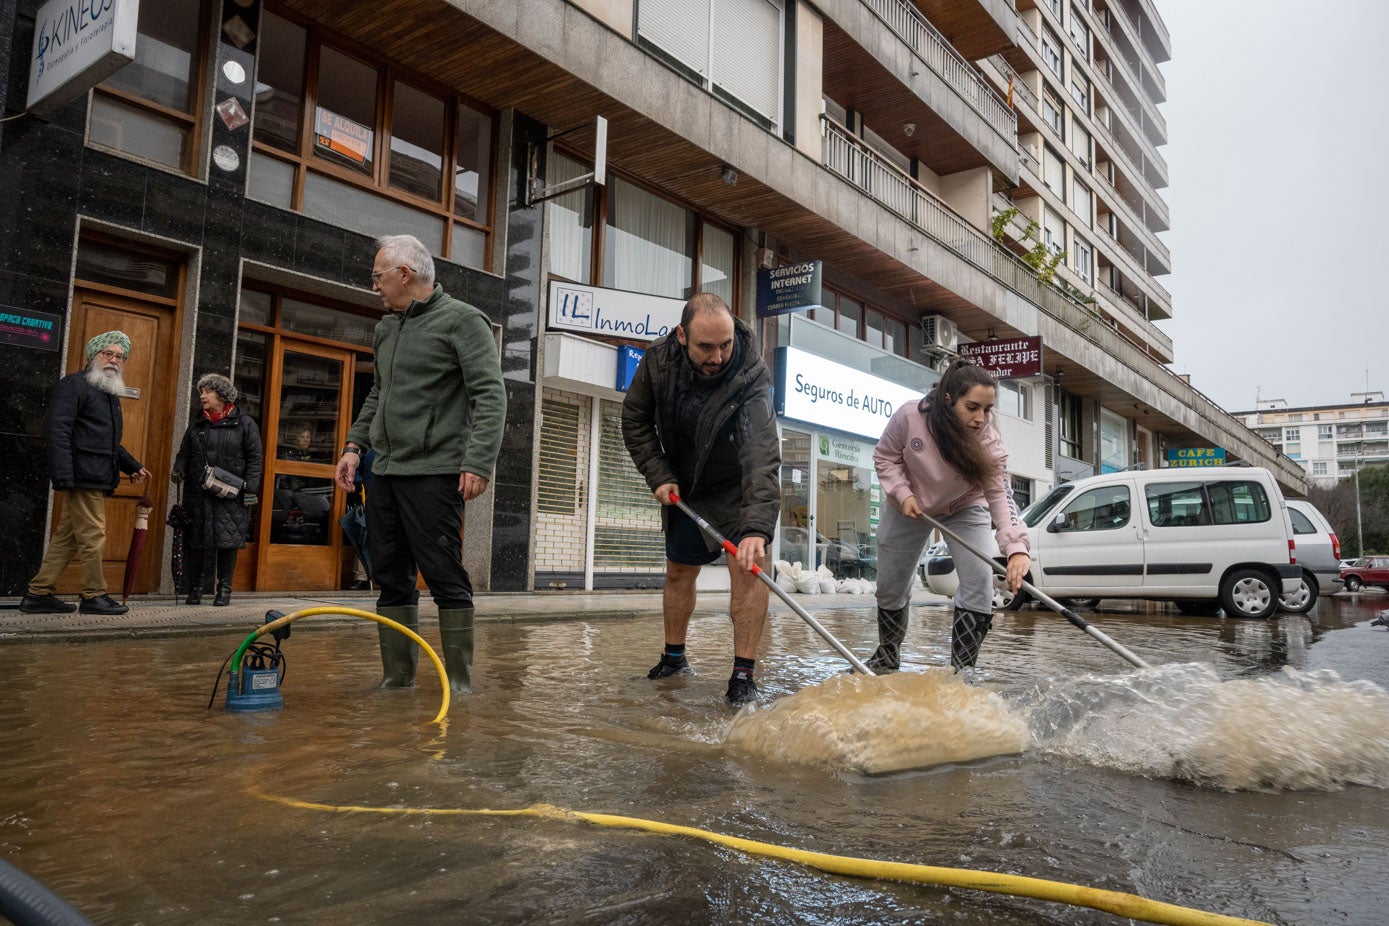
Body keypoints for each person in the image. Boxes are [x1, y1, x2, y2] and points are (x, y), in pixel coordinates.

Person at [335, 234, 506, 694]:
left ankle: (460, 684)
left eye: (378, 276)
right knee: (390, 577)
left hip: (435, 471)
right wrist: (354, 445)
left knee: (445, 574)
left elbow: (490, 395)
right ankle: (397, 678)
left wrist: (478, 462)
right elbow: (378, 393)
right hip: (384, 472)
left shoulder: (464, 321)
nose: (374, 286)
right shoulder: (385, 329)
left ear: (404, 275)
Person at [621, 293, 781, 704]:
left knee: (749, 566)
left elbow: (761, 454)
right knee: (679, 572)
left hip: (736, 484)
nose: (718, 356)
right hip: (684, 484)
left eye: (725, 344)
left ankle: (742, 676)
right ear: (681, 336)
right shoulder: (658, 362)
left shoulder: (750, 374)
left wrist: (756, 528)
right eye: (706, 347)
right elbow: (635, 419)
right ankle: (674, 657)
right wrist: (658, 474)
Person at [870, 359, 1031, 672]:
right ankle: (887, 655)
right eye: (972, 407)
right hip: (910, 505)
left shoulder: (989, 441)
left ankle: (963, 670)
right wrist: (903, 495)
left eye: (987, 409)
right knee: (890, 585)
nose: (981, 418)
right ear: (948, 399)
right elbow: (885, 458)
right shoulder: (909, 416)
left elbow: (1000, 495)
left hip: (964, 506)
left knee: (980, 582)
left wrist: (1016, 549)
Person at [20, 331, 151, 615]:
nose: (114, 360)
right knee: (94, 534)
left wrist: (131, 465)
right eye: (108, 354)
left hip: (96, 474)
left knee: (68, 537)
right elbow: (57, 431)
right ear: (94, 356)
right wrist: (63, 475)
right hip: (82, 474)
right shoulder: (74, 386)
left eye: (119, 356)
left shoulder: (107, 392)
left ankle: (38, 593)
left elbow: (107, 441)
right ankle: (94, 594)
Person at [171, 373, 263, 607]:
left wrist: (250, 487)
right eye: (201, 392)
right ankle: (195, 589)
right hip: (199, 493)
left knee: (227, 543)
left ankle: (224, 590)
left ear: (223, 395)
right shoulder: (198, 423)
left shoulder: (245, 424)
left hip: (231, 494)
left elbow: (255, 458)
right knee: (197, 541)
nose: (203, 396)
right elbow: (185, 452)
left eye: (208, 391)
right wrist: (179, 469)